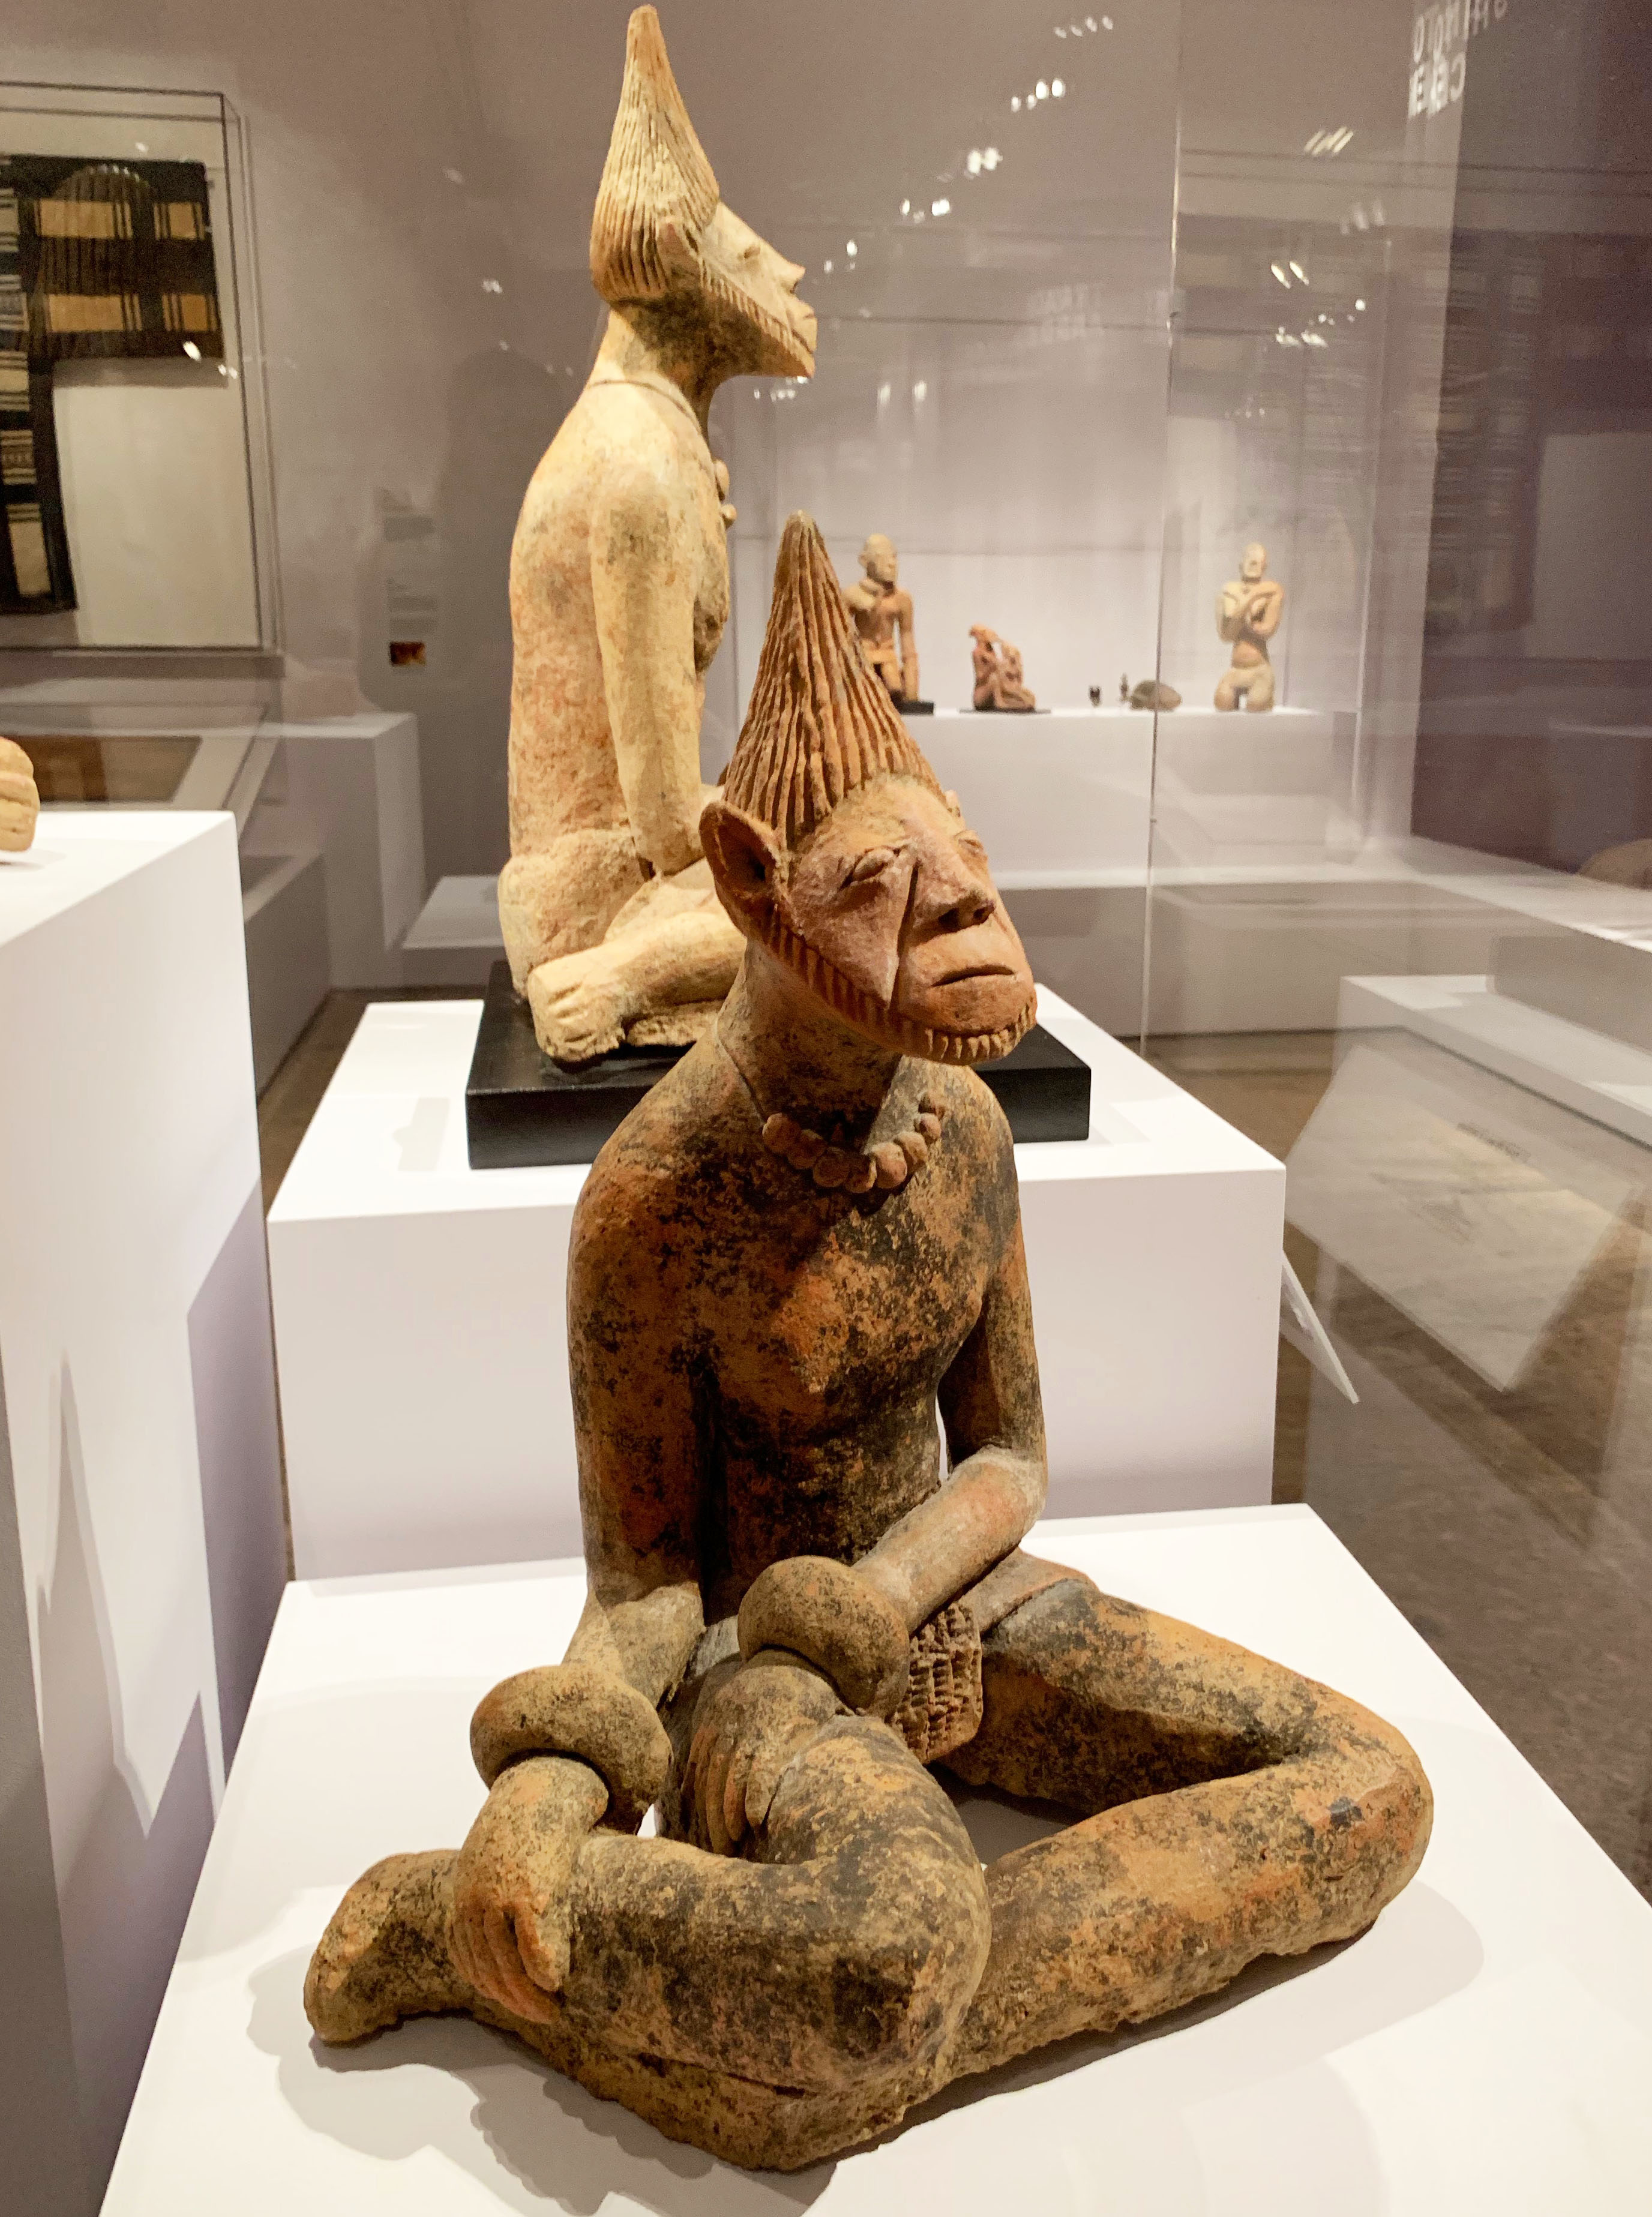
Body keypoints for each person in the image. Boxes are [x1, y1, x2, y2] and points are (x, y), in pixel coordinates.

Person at [308, 517, 1431, 2173]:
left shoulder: (965, 1132)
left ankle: (785, 2029)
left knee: (1367, 1782)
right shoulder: (657, 1197)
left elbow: (1011, 1456)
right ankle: (522, 1930)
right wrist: (550, 1783)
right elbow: (645, 1580)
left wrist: (891, 1588)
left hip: (949, 1601)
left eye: (958, 867)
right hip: (759, 1679)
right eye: (876, 886)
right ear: (753, 886)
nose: (960, 909)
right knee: (887, 1942)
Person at [497, 7, 816, 1062]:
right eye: (749, 253)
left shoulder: (637, 437)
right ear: (683, 260)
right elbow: (669, 818)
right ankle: (622, 983)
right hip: (602, 900)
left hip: (601, 871)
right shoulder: (639, 464)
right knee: (872, 879)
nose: (786, 275)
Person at [1214, 541, 1285, 712]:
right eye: (1250, 560)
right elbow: (1227, 636)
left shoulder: (1273, 591)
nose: (1253, 564)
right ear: (1240, 565)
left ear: (1264, 566)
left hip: (1259, 669)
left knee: (1256, 706)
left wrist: (1247, 601)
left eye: (1257, 561)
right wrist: (1247, 601)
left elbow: (1266, 630)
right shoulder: (1228, 591)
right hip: (1236, 669)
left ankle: (1266, 695)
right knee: (1223, 704)